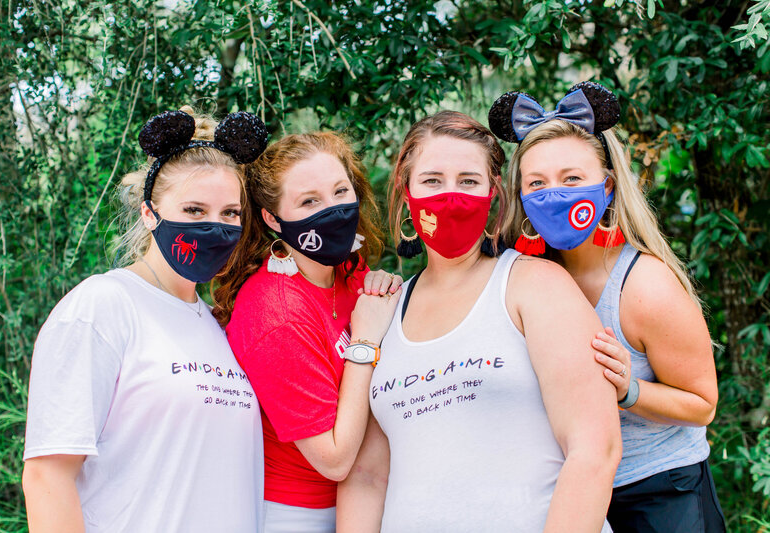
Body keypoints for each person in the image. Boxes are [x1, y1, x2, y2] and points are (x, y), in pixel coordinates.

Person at [337, 111, 621, 532]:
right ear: (406, 190)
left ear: (492, 192)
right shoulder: (387, 310)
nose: (450, 195)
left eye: (468, 181)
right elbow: (367, 476)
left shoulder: (534, 285)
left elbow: (595, 450)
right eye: (432, 180)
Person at [489, 81, 725, 532]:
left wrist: (627, 390)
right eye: (536, 183)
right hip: (565, 492)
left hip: (658, 493)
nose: (552, 194)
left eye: (572, 179)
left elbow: (702, 405)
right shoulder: (519, 274)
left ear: (608, 186)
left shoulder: (645, 287)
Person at [22, 107, 268, 533]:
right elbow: (48, 474)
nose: (216, 227)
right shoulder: (101, 308)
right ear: (149, 213)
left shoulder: (216, 323)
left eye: (230, 213)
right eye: (194, 209)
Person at [213, 132, 402, 532]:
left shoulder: (347, 272)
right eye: (309, 201)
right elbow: (333, 460)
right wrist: (365, 343)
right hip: (302, 514)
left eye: (339, 191)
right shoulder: (277, 314)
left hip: (367, 498)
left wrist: (385, 289)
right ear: (272, 218)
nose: (332, 210)